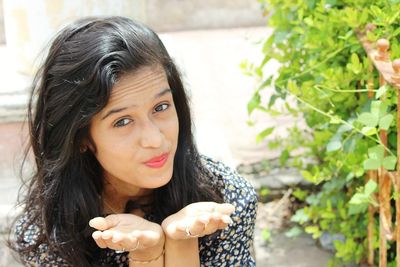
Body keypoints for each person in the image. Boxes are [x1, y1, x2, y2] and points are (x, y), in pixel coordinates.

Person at [9, 16, 257, 267]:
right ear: (81, 137)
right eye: (122, 122)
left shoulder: (225, 201)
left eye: (161, 107)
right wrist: (146, 255)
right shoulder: (50, 233)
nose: (154, 139)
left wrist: (182, 243)